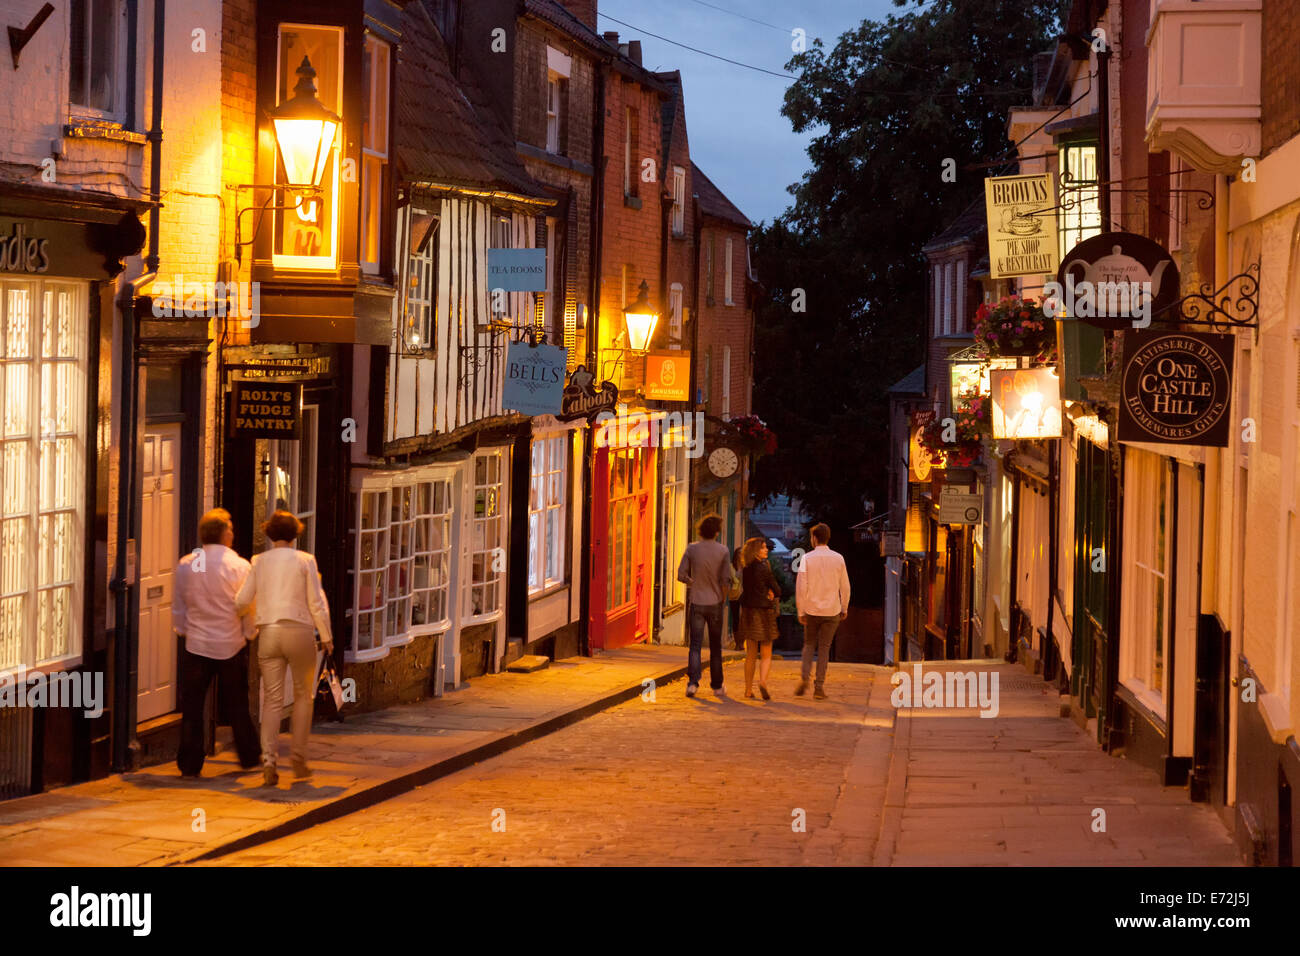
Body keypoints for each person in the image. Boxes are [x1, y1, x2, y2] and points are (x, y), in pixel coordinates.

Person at [235, 510, 334, 786]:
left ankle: (268, 760)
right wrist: (326, 635)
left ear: (269, 533)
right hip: (300, 631)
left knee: (272, 700)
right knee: (304, 696)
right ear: (295, 534)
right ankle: (299, 760)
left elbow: (242, 599)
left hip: (269, 633)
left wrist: (242, 616)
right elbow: (316, 602)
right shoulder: (305, 561)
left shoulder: (258, 561)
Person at [172, 509, 261, 778]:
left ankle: (190, 763)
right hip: (230, 644)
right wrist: (249, 633)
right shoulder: (240, 567)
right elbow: (248, 606)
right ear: (223, 534)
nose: (233, 533)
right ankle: (248, 755)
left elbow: (180, 603)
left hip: (197, 645)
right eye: (230, 529)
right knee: (237, 704)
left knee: (193, 707)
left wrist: (184, 630)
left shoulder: (187, 564)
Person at [676, 514, 734, 698]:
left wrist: (693, 582)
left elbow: (681, 574)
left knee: (695, 645)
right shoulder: (723, 551)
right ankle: (717, 686)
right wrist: (722, 597)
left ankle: (693, 683)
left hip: (697, 601)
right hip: (715, 602)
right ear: (717, 532)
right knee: (716, 646)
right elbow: (726, 579)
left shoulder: (692, 549)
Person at [795, 522, 851, 700]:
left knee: (809, 644)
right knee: (825, 648)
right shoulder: (839, 558)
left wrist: (801, 610)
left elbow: (801, 586)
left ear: (814, 538)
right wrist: (844, 607)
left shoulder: (806, 558)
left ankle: (804, 677)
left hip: (811, 609)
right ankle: (819, 687)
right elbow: (845, 586)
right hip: (832, 609)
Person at [739, 536, 781, 700]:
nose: (766, 550)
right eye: (763, 548)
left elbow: (750, 589)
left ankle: (748, 690)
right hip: (763, 613)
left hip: (749, 612)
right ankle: (763, 681)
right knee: (766, 652)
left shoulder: (746, 568)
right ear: (756, 551)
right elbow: (777, 589)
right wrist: (771, 593)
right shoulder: (764, 568)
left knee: (750, 653)